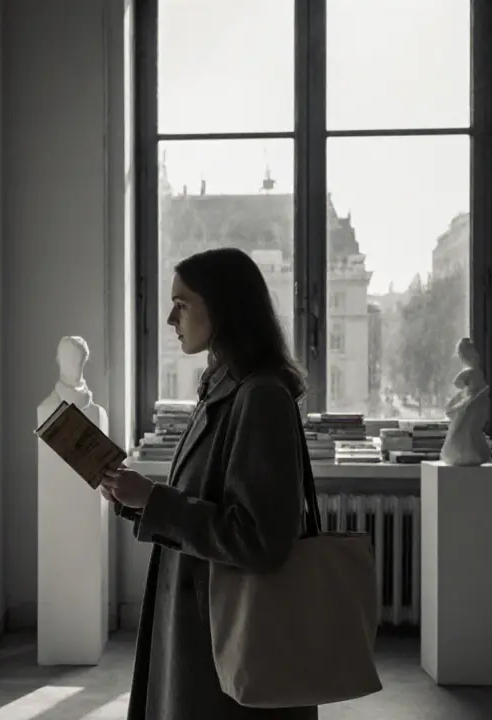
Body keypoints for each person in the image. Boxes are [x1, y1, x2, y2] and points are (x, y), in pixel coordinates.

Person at [101, 247, 317, 719]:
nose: (169, 318)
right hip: (203, 630)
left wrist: (155, 500)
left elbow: (261, 540)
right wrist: (136, 501)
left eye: (182, 303)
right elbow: (207, 503)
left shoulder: (259, 397)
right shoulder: (224, 387)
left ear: (222, 307)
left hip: (229, 638)